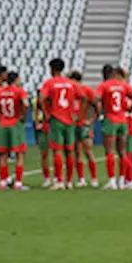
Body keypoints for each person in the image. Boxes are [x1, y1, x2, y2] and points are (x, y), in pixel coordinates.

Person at [39, 58, 81, 190]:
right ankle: (69, 181)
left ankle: (59, 181)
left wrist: (46, 114)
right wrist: (78, 115)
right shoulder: (71, 83)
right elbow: (83, 97)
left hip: (57, 119)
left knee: (57, 150)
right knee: (70, 151)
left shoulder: (50, 83)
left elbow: (41, 99)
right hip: (69, 119)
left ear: (52, 69)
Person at [0, 70, 29, 191]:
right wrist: (23, 117)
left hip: (2, 124)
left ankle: (3, 182)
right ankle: (18, 183)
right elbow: (26, 104)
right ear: (16, 80)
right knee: (19, 154)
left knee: (3, 154)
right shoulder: (19, 91)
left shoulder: (0, 92)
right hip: (15, 124)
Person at [95, 65, 132, 190]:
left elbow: (96, 99)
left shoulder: (104, 86)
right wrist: (129, 108)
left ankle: (112, 181)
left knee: (110, 151)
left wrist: (98, 113)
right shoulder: (123, 85)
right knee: (122, 152)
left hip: (110, 119)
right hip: (122, 120)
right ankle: (122, 181)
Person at [69, 70, 99, 187]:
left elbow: (97, 104)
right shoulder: (70, 90)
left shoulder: (86, 90)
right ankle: (81, 179)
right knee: (77, 152)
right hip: (73, 124)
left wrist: (91, 120)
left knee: (88, 150)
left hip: (83, 125)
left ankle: (94, 178)